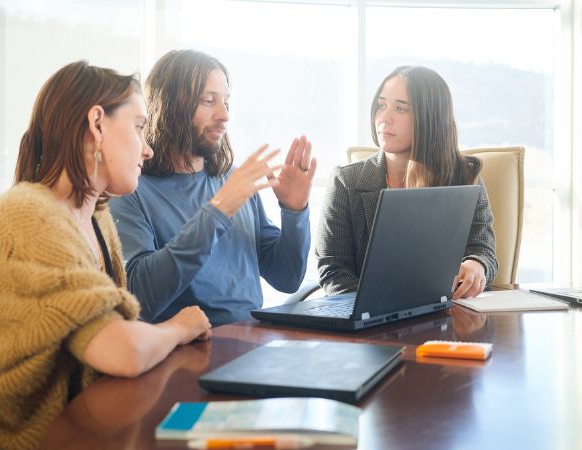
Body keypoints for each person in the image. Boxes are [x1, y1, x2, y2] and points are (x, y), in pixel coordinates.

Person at [0, 61, 212, 450]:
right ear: (97, 123)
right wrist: (179, 328)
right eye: (140, 127)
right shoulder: (27, 215)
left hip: (69, 431)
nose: (147, 148)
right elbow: (122, 352)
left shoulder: (98, 217)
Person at [109, 49, 317, 326]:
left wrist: (294, 211)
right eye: (209, 101)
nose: (224, 115)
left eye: (226, 102)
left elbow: (286, 278)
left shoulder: (233, 179)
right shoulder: (131, 190)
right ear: (170, 105)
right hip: (183, 347)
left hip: (252, 340)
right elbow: (140, 300)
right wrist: (218, 211)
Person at [316, 65, 497, 300]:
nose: (384, 118)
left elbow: (483, 250)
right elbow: (333, 270)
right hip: (371, 320)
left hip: (448, 315)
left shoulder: (465, 176)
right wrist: (376, 309)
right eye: (381, 105)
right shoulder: (346, 181)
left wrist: (476, 265)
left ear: (431, 118)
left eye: (401, 108)